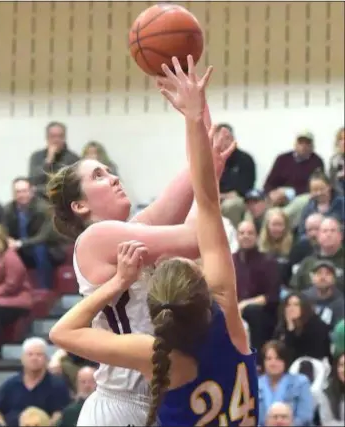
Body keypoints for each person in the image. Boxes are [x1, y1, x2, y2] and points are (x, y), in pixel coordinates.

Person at [49, 55, 259, 427]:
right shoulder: (97, 237)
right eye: (98, 175)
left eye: (110, 170)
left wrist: (197, 115)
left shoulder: (133, 231)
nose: (113, 177)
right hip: (123, 402)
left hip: (165, 386)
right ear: (79, 205)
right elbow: (200, 232)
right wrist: (200, 138)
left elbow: (200, 188)